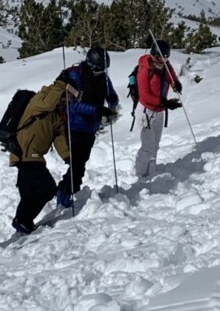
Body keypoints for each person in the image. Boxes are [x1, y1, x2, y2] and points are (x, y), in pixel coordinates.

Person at [9, 76, 78, 234]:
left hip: (33, 156)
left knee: (30, 193)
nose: (71, 101)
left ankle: (23, 223)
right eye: (70, 96)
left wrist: (68, 157)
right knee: (47, 189)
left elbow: (59, 138)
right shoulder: (38, 101)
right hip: (25, 153)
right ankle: (22, 220)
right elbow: (48, 103)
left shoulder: (55, 114)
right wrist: (60, 86)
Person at [54, 46, 120, 210]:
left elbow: (111, 94)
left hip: (90, 128)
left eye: (103, 69)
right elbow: (72, 105)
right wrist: (96, 109)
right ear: (89, 63)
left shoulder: (103, 77)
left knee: (81, 164)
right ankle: (64, 194)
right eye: (97, 68)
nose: (100, 72)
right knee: (76, 164)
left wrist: (112, 100)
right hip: (74, 126)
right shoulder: (76, 76)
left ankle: (65, 189)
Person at [132, 39, 182, 181]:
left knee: (155, 146)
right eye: (159, 57)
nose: (162, 60)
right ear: (153, 55)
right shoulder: (144, 70)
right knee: (147, 147)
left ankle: (151, 172)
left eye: (166, 57)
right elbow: (145, 95)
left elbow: (170, 72)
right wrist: (165, 103)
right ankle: (139, 176)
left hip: (159, 111)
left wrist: (176, 83)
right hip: (145, 112)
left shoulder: (165, 66)